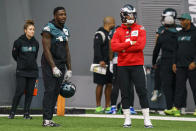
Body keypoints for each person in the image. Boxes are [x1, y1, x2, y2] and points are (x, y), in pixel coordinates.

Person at [111, 4, 153, 128]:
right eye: (129, 14)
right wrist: (129, 42)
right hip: (123, 66)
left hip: (137, 65)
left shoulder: (140, 28)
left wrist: (123, 47)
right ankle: (127, 120)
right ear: (123, 16)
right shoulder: (118, 30)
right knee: (125, 93)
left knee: (142, 91)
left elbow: (140, 46)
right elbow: (114, 47)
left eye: (133, 14)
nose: (132, 17)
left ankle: (147, 119)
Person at [152, 8, 188, 114]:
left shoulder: (162, 33)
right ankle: (182, 107)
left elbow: (156, 49)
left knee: (167, 85)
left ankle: (169, 107)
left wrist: (154, 62)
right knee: (180, 85)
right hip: (179, 61)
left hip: (166, 61)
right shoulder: (181, 30)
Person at [41, 7, 72, 127]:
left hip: (61, 63)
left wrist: (69, 68)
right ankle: (46, 120)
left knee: (55, 92)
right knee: (49, 90)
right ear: (55, 16)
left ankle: (49, 118)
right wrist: (53, 67)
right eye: (60, 14)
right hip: (49, 64)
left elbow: (67, 50)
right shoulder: (48, 29)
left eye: (65, 14)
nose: (63, 16)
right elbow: (46, 50)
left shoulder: (65, 30)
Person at [166, 13, 196, 116]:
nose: (181, 22)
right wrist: (174, 63)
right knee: (179, 88)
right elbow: (175, 50)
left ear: (189, 21)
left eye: (183, 20)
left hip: (192, 66)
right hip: (180, 66)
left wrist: (195, 62)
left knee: (195, 87)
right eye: (180, 20)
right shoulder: (179, 33)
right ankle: (177, 108)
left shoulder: (195, 32)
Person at [9, 20, 39, 119]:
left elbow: (35, 56)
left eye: (33, 29)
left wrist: (31, 64)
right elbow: (14, 55)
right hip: (21, 71)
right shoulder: (18, 42)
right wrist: (21, 63)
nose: (32, 31)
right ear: (25, 30)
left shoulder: (36, 43)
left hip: (33, 72)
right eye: (30, 29)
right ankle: (12, 112)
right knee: (20, 91)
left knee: (30, 93)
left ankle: (26, 114)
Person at [107, 26, 136, 115]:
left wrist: (111, 61)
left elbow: (111, 47)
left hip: (118, 60)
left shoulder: (115, 30)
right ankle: (130, 107)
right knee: (129, 85)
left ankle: (113, 107)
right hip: (129, 60)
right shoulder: (134, 30)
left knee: (116, 84)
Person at [93, 16, 115, 113]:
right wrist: (101, 60)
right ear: (109, 23)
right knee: (100, 84)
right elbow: (96, 48)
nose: (114, 25)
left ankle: (107, 105)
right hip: (100, 64)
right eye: (113, 23)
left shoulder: (111, 34)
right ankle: (98, 106)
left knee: (109, 84)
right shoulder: (100, 33)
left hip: (109, 64)